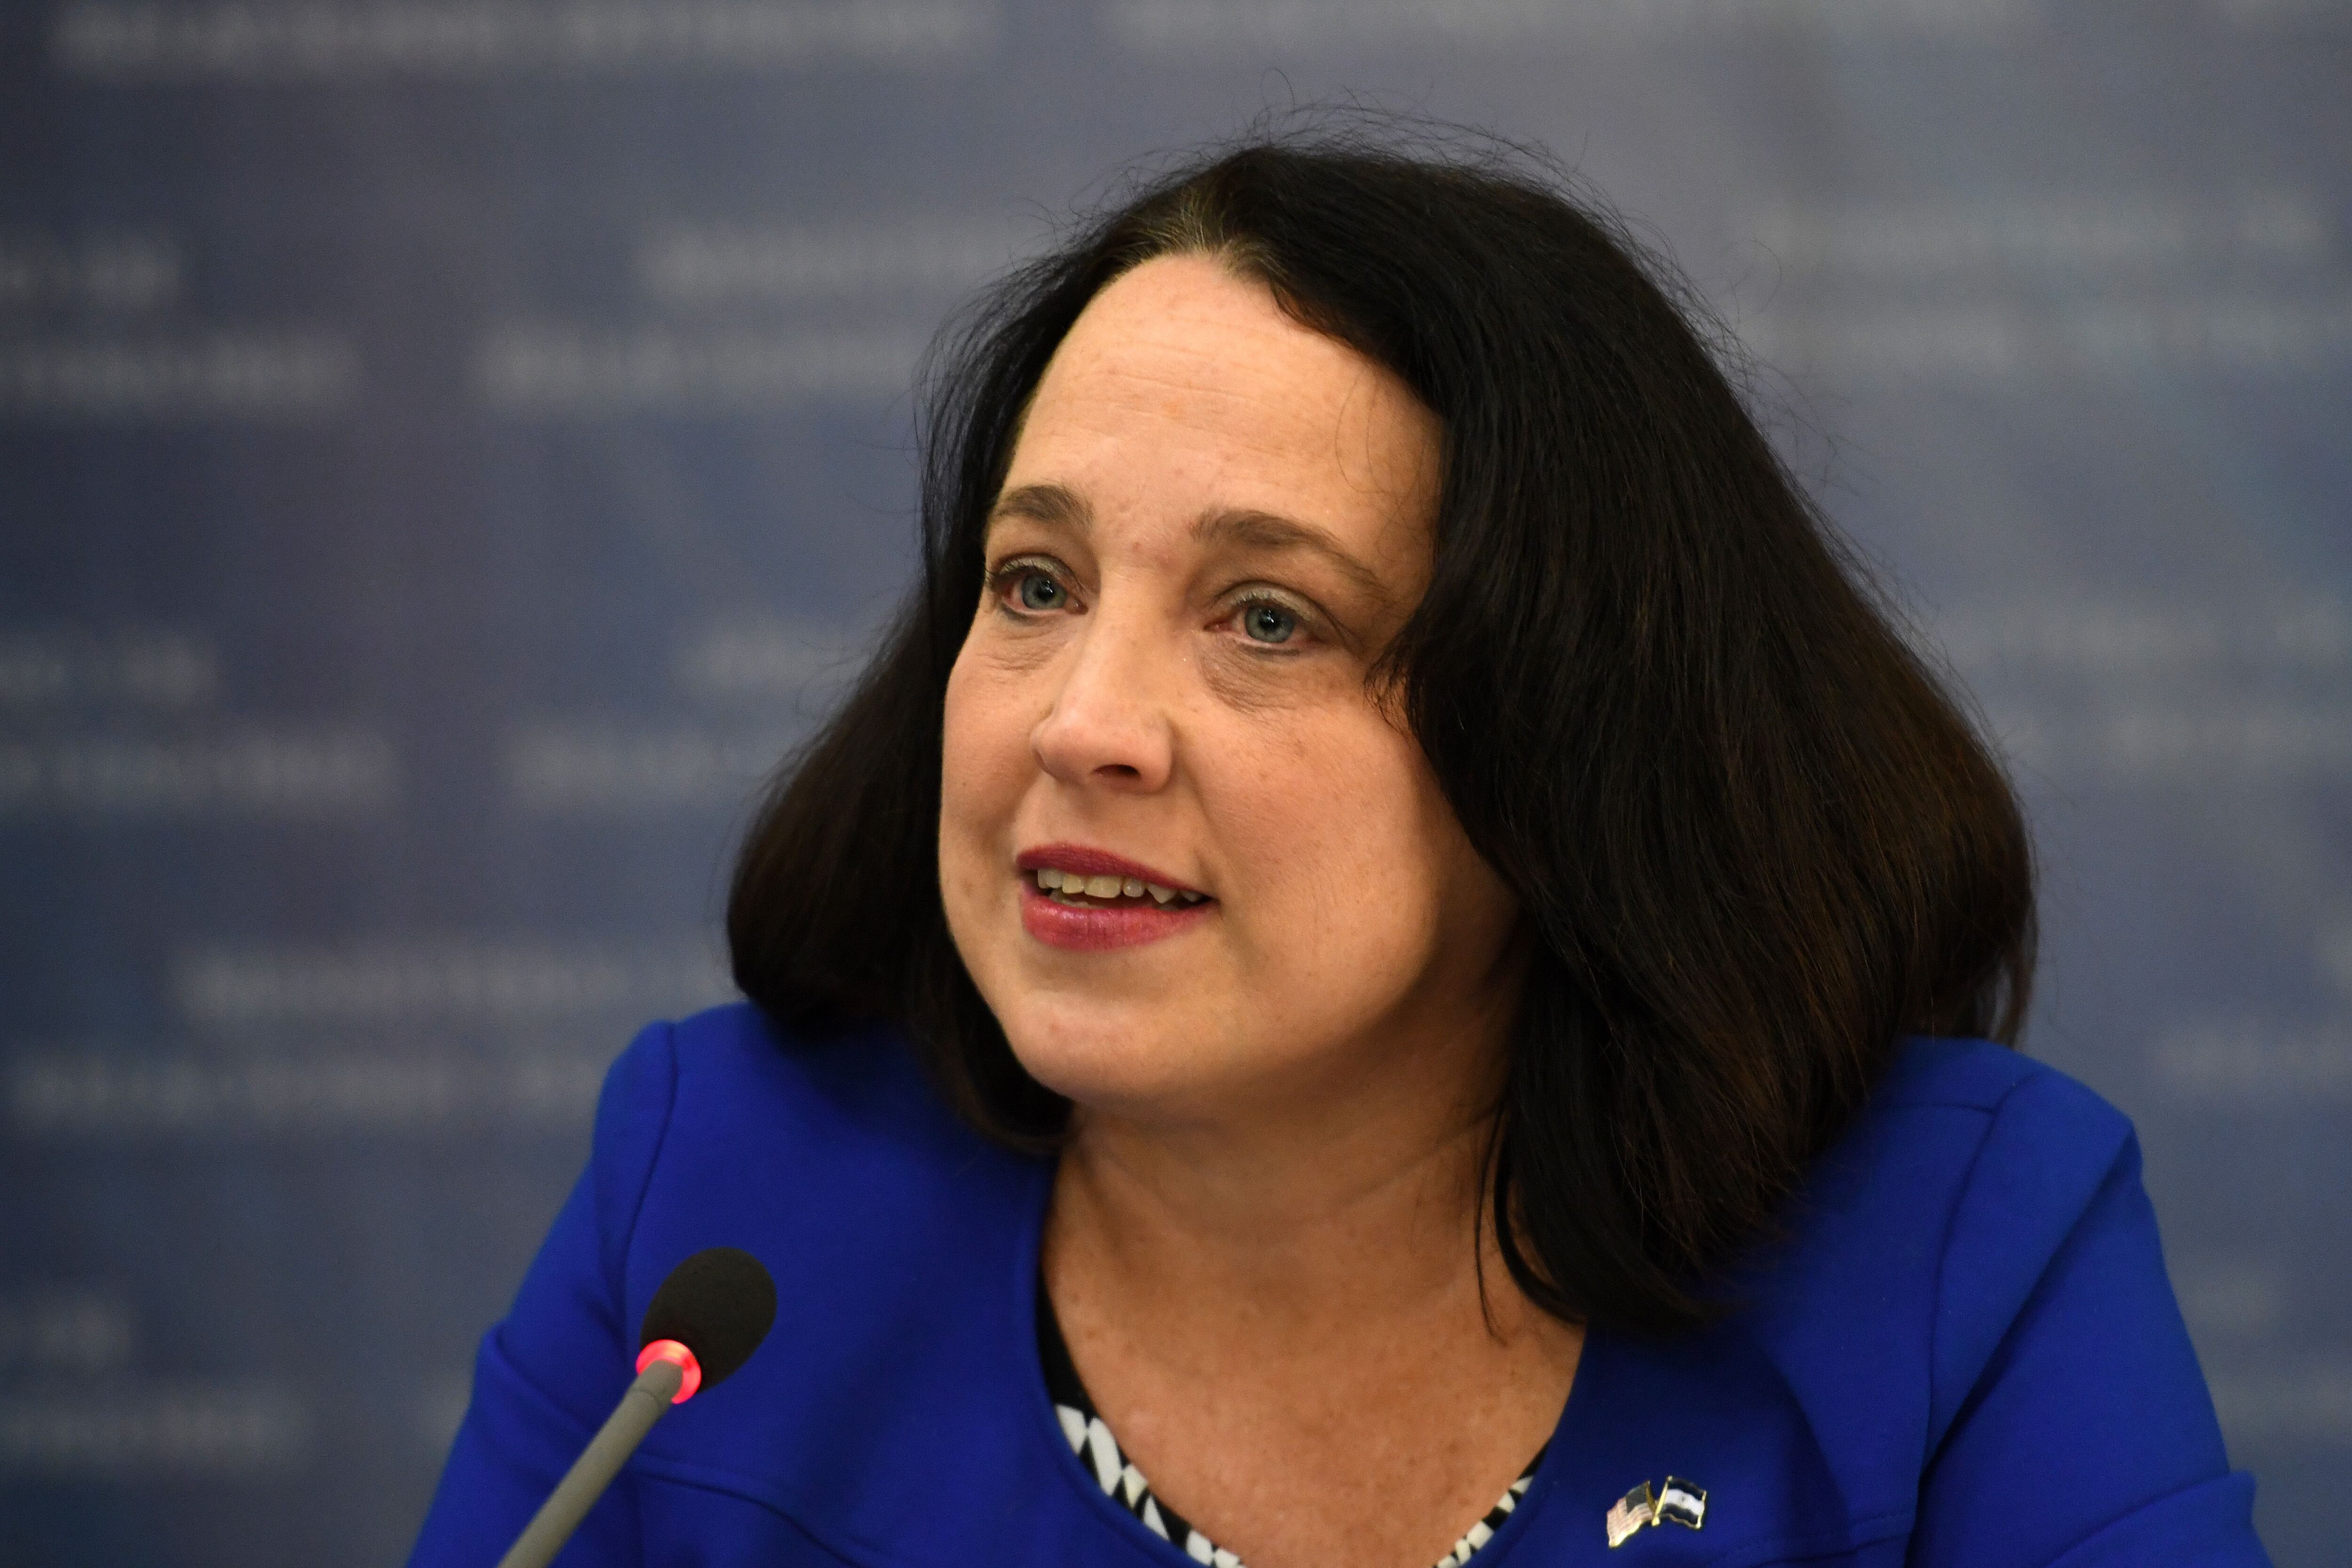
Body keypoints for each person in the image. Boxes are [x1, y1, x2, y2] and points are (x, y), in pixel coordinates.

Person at [406, 134, 2270, 1567]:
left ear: (1566, 743)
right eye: (1033, 583)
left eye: (1268, 620)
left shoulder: (1958, 1247)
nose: (1082, 723)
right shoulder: (721, 1200)